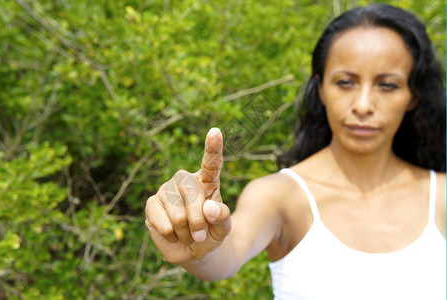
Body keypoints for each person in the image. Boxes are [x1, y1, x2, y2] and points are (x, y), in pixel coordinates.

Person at [145, 4, 446, 299]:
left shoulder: (441, 197)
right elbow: (225, 254)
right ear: (321, 89)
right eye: (345, 82)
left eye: (388, 86)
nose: (363, 105)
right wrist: (195, 237)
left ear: (413, 96)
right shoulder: (280, 197)